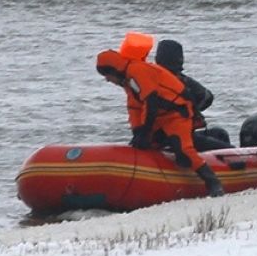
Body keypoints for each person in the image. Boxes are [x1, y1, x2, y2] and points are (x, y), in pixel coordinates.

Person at [96, 32, 225, 197]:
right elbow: (135, 108)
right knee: (147, 145)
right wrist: (138, 133)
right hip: (160, 117)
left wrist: (146, 130)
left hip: (176, 114)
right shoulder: (128, 81)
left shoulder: (138, 70)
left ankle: (213, 182)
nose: (107, 80)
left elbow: (151, 102)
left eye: (106, 76)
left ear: (113, 70)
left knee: (184, 150)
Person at [154, 39, 231, 151]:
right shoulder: (179, 82)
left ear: (157, 59)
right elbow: (207, 97)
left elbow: (207, 97)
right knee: (228, 149)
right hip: (173, 139)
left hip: (169, 136)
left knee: (219, 134)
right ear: (179, 61)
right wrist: (191, 110)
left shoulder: (148, 78)